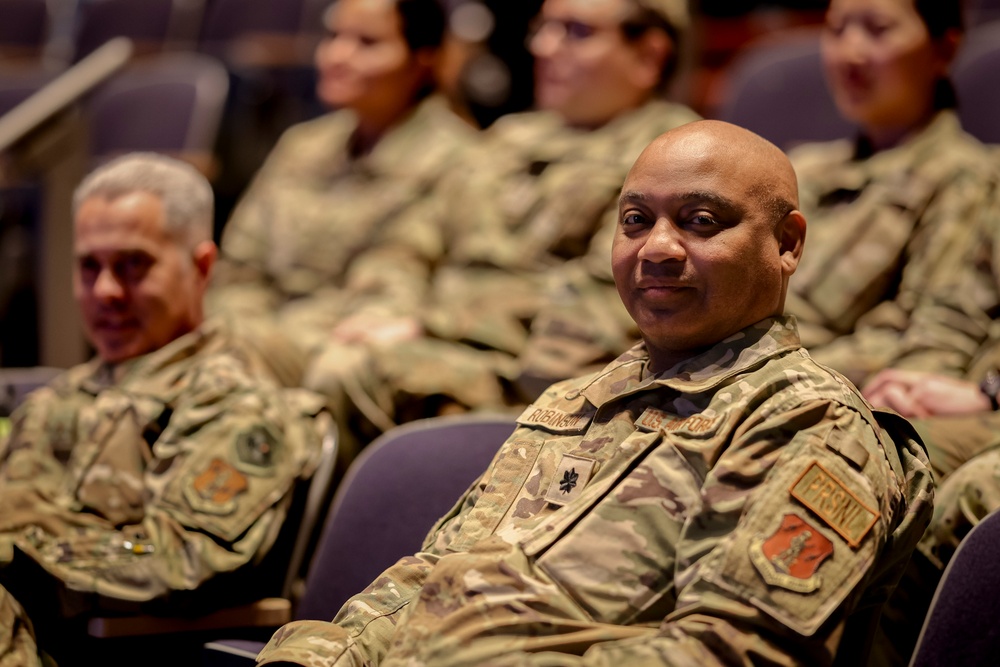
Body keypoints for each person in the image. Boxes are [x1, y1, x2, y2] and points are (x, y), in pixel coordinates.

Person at [256, 121, 932, 667]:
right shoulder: (573, 401)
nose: (657, 248)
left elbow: (732, 649)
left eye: (700, 221)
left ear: (786, 243)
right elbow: (430, 580)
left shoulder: (807, 423)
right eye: (636, 220)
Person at [303, 0, 700, 455]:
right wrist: (384, 310)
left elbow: (607, 302)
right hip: (424, 344)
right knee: (260, 355)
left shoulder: (672, 161)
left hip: (520, 374)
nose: (543, 46)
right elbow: (408, 243)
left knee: (343, 372)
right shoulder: (507, 138)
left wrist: (425, 325)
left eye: (576, 31)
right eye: (543, 27)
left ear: (648, 55)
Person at [0, 154, 324, 665]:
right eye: (89, 266)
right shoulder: (58, 398)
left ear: (201, 268)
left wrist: (22, 551)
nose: (105, 291)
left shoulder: (238, 405)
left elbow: (180, 558)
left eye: (132, 265)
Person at [206, 0, 477, 381]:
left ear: (422, 59)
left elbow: (426, 291)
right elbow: (239, 269)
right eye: (333, 37)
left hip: (347, 352)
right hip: (258, 337)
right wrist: (239, 326)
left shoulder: (464, 161)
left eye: (367, 43)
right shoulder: (302, 144)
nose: (337, 55)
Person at [782, 0, 1000, 386]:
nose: (849, 52)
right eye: (836, 30)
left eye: (877, 29)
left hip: (812, 388)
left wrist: (763, 372)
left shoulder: (966, 177)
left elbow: (931, 341)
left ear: (943, 49)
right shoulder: (798, 167)